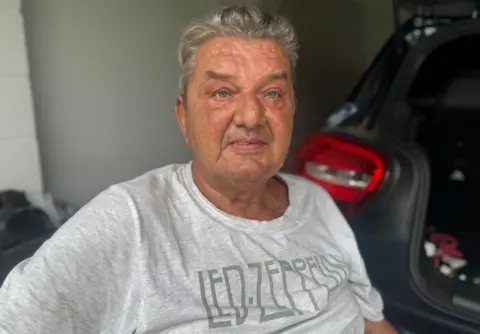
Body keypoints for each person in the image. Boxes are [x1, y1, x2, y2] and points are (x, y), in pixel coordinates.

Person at [0, 5, 397, 333]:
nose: (251, 115)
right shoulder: (131, 220)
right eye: (222, 92)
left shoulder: (317, 200)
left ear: (291, 111)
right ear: (183, 117)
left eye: (272, 93)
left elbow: (372, 320)